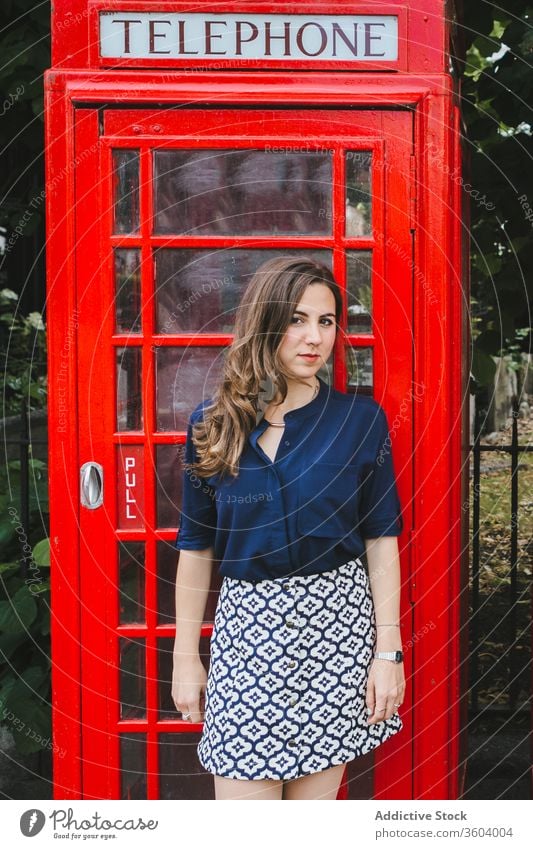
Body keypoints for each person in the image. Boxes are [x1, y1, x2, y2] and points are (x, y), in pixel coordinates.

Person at [171, 257, 405, 801]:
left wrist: (388, 654)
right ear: (266, 323)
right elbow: (196, 545)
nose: (314, 338)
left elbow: (380, 536)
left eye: (326, 322)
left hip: (337, 635)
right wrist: (186, 658)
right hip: (247, 637)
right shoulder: (213, 423)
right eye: (297, 319)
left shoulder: (360, 421)